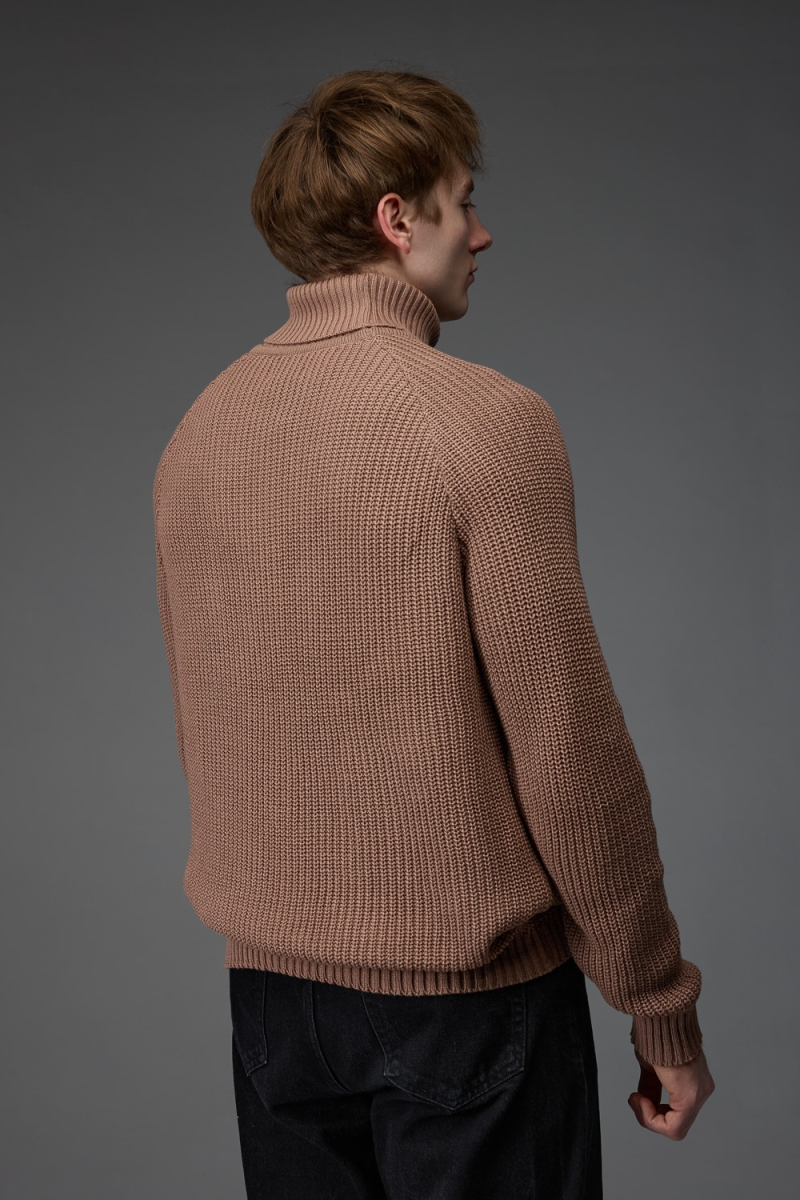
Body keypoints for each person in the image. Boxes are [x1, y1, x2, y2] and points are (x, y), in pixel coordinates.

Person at [153, 68, 715, 1199]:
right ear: (397, 219)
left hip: (272, 1008)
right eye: (464, 201)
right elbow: (568, 749)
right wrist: (658, 1006)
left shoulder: (199, 431)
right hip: (467, 1012)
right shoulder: (484, 423)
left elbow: (209, 721)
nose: (482, 232)